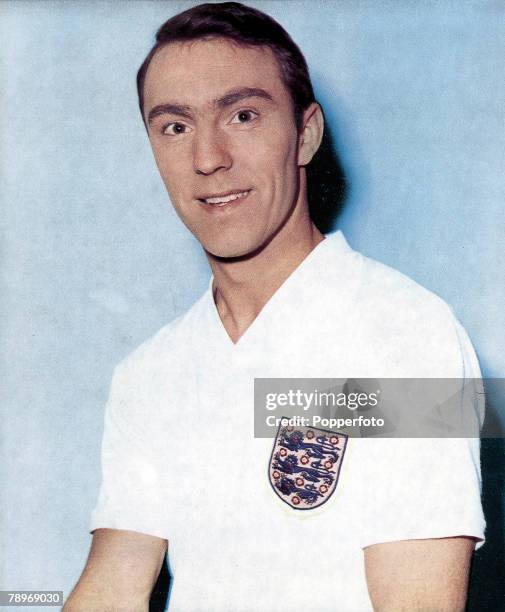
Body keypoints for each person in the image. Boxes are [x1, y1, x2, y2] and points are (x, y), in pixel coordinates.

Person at [64, 3, 485, 611]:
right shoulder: (150, 373)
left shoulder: (409, 337)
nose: (208, 159)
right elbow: (112, 587)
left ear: (305, 134)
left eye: (242, 115)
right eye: (175, 126)